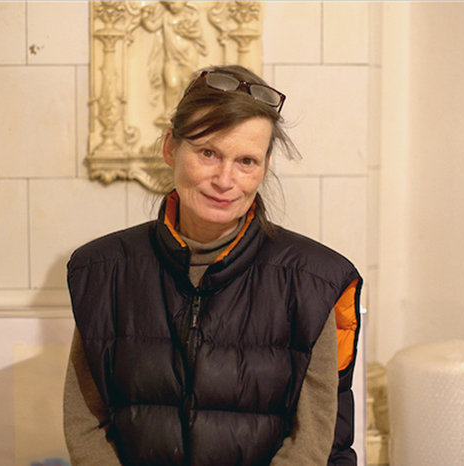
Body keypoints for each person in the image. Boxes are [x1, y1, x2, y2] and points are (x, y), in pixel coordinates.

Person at [64, 64, 362, 466]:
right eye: (208, 153)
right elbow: (85, 420)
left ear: (265, 166)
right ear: (171, 147)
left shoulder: (312, 281)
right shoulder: (104, 272)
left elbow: (311, 438)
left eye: (246, 161)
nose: (225, 179)